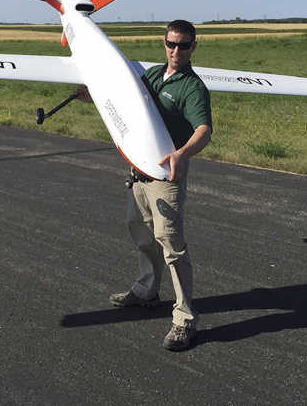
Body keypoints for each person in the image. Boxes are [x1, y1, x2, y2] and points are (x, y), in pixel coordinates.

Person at [79, 19, 212, 351]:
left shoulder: (192, 88)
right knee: (139, 230)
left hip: (166, 178)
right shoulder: (153, 74)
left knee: (172, 246)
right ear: (164, 43)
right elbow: (127, 99)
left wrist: (182, 154)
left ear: (194, 46)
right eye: (170, 44)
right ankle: (146, 290)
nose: (175, 51)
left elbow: (203, 131)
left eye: (183, 45)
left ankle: (184, 320)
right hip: (139, 172)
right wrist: (92, 94)